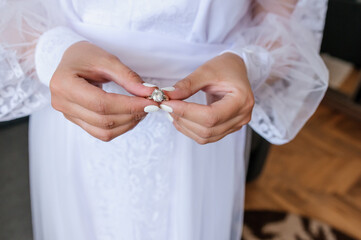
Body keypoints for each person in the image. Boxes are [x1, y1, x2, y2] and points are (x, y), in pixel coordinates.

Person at [0, 0, 329, 239]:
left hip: (205, 118)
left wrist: (252, 63)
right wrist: (50, 51)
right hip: (80, 108)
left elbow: (286, 17)